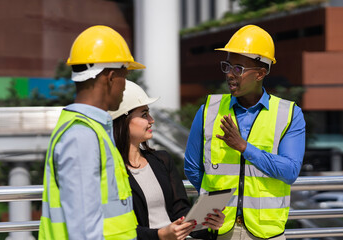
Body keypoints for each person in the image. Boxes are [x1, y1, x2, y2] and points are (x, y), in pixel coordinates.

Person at [184, 25, 306, 240]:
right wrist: (212, 201)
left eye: (238, 68)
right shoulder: (208, 110)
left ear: (260, 73)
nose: (230, 74)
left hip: (266, 232)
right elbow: (193, 168)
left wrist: (244, 148)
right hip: (219, 229)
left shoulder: (290, 114)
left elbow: (290, 171)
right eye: (227, 66)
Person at [39, 25, 145, 240]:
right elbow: (84, 229)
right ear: (111, 77)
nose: (125, 86)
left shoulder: (93, 130)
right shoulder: (82, 136)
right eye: (125, 76)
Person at [109, 80, 225, 240]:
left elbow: (181, 213)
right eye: (144, 115)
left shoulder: (162, 160)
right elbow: (118, 230)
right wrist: (160, 235)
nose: (151, 120)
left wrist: (208, 224)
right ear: (123, 120)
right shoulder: (109, 169)